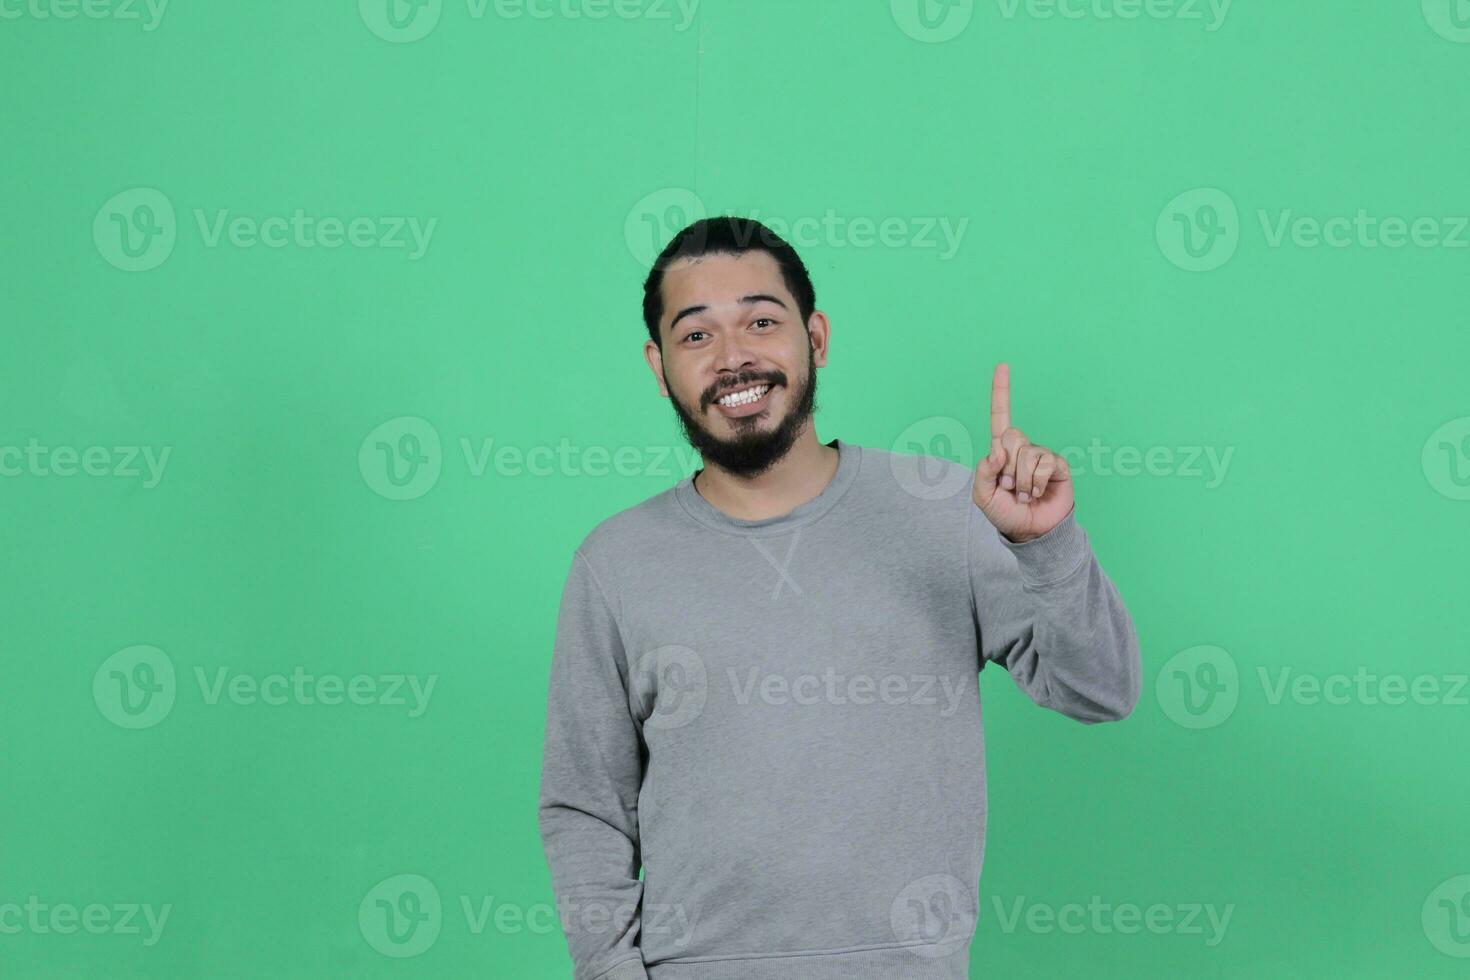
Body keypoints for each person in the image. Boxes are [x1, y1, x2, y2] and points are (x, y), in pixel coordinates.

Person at [537, 216, 1141, 979]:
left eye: (761, 320)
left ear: (815, 339)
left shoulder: (950, 512)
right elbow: (584, 808)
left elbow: (1103, 688)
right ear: (659, 368)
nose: (733, 358)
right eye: (697, 336)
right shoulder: (614, 563)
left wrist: (1044, 544)